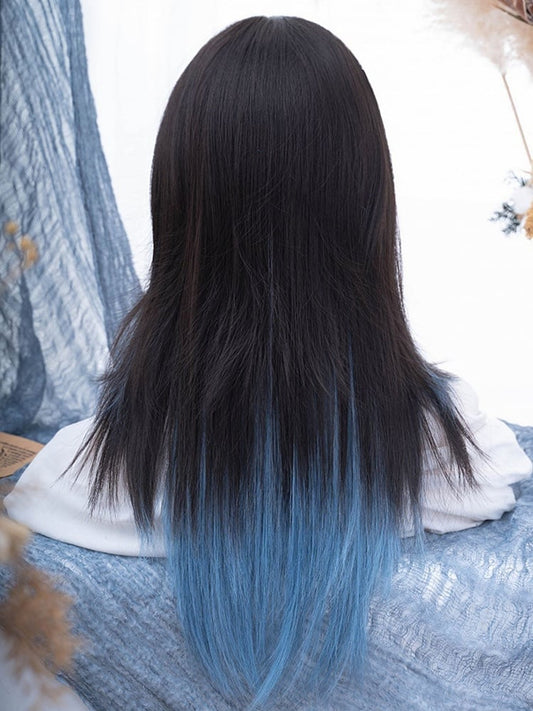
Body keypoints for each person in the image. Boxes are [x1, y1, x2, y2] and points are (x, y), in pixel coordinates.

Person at [4, 15, 532, 709]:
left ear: (178, 210)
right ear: (368, 207)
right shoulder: (455, 450)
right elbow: (494, 478)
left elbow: (43, 492)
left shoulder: (84, 472)